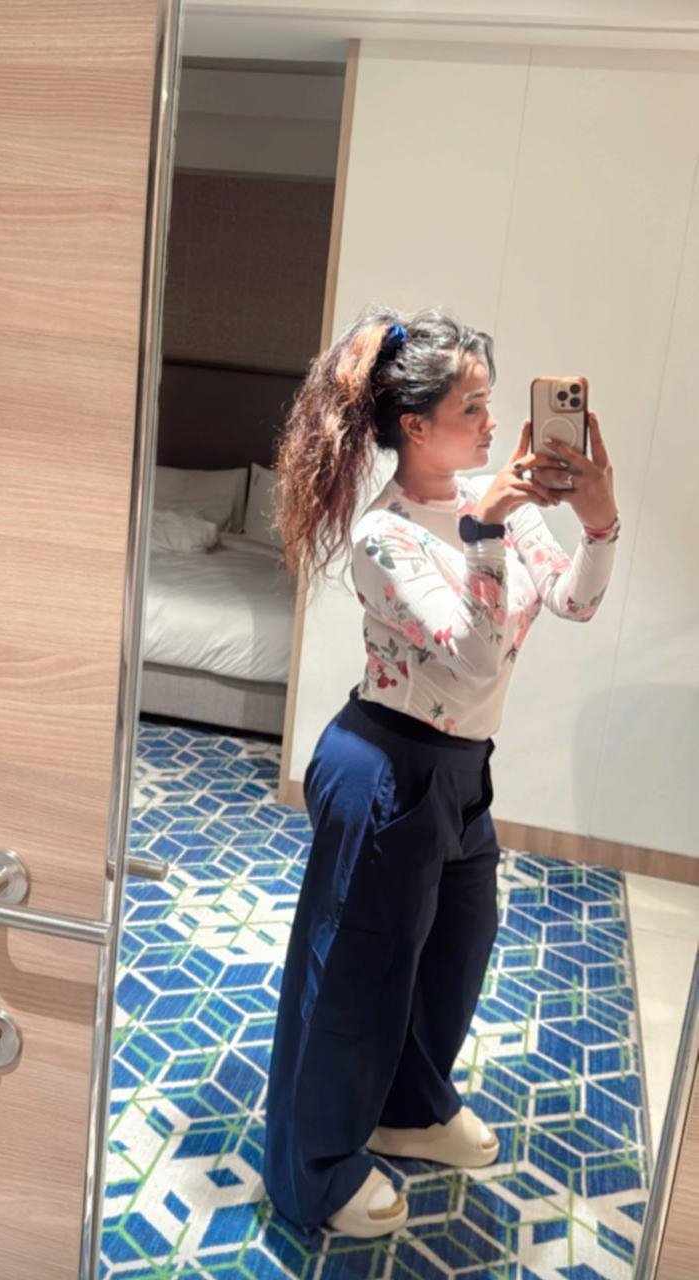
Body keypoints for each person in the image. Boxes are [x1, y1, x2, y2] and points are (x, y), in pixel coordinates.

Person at [263, 307, 620, 1239]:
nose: (495, 424)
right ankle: (311, 1172)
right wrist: (484, 528)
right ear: (415, 425)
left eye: (492, 403)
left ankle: (407, 1110)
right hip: (383, 769)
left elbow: (574, 602)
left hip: (462, 772)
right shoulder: (387, 539)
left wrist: (599, 521)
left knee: (454, 954)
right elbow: (472, 658)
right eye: (473, 408)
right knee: (355, 973)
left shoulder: (494, 504)